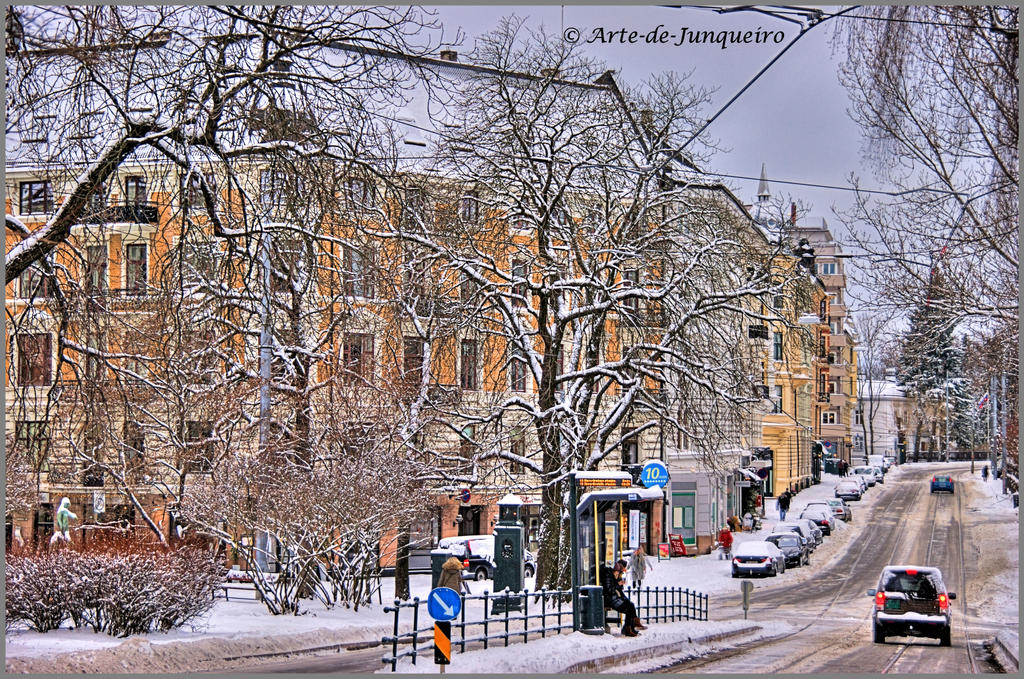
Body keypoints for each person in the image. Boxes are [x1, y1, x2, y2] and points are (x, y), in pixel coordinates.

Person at [601, 559, 644, 636]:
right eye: (617, 573)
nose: (618, 575)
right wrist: (618, 584)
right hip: (610, 599)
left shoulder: (614, 576)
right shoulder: (608, 577)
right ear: (614, 571)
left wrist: (619, 584)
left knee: (631, 605)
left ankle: (631, 627)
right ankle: (628, 629)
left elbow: (617, 589)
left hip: (615, 598)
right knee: (628, 610)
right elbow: (610, 590)